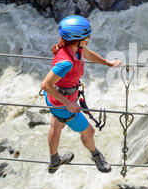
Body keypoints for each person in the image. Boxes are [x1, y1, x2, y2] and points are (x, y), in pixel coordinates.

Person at [41, 15, 123, 174]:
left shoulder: (74, 48)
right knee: (89, 132)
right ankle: (96, 155)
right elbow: (45, 85)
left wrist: (108, 63)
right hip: (62, 103)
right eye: (87, 36)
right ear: (76, 39)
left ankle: (54, 160)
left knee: (56, 125)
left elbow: (87, 53)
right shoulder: (66, 62)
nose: (90, 38)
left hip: (57, 98)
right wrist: (68, 103)